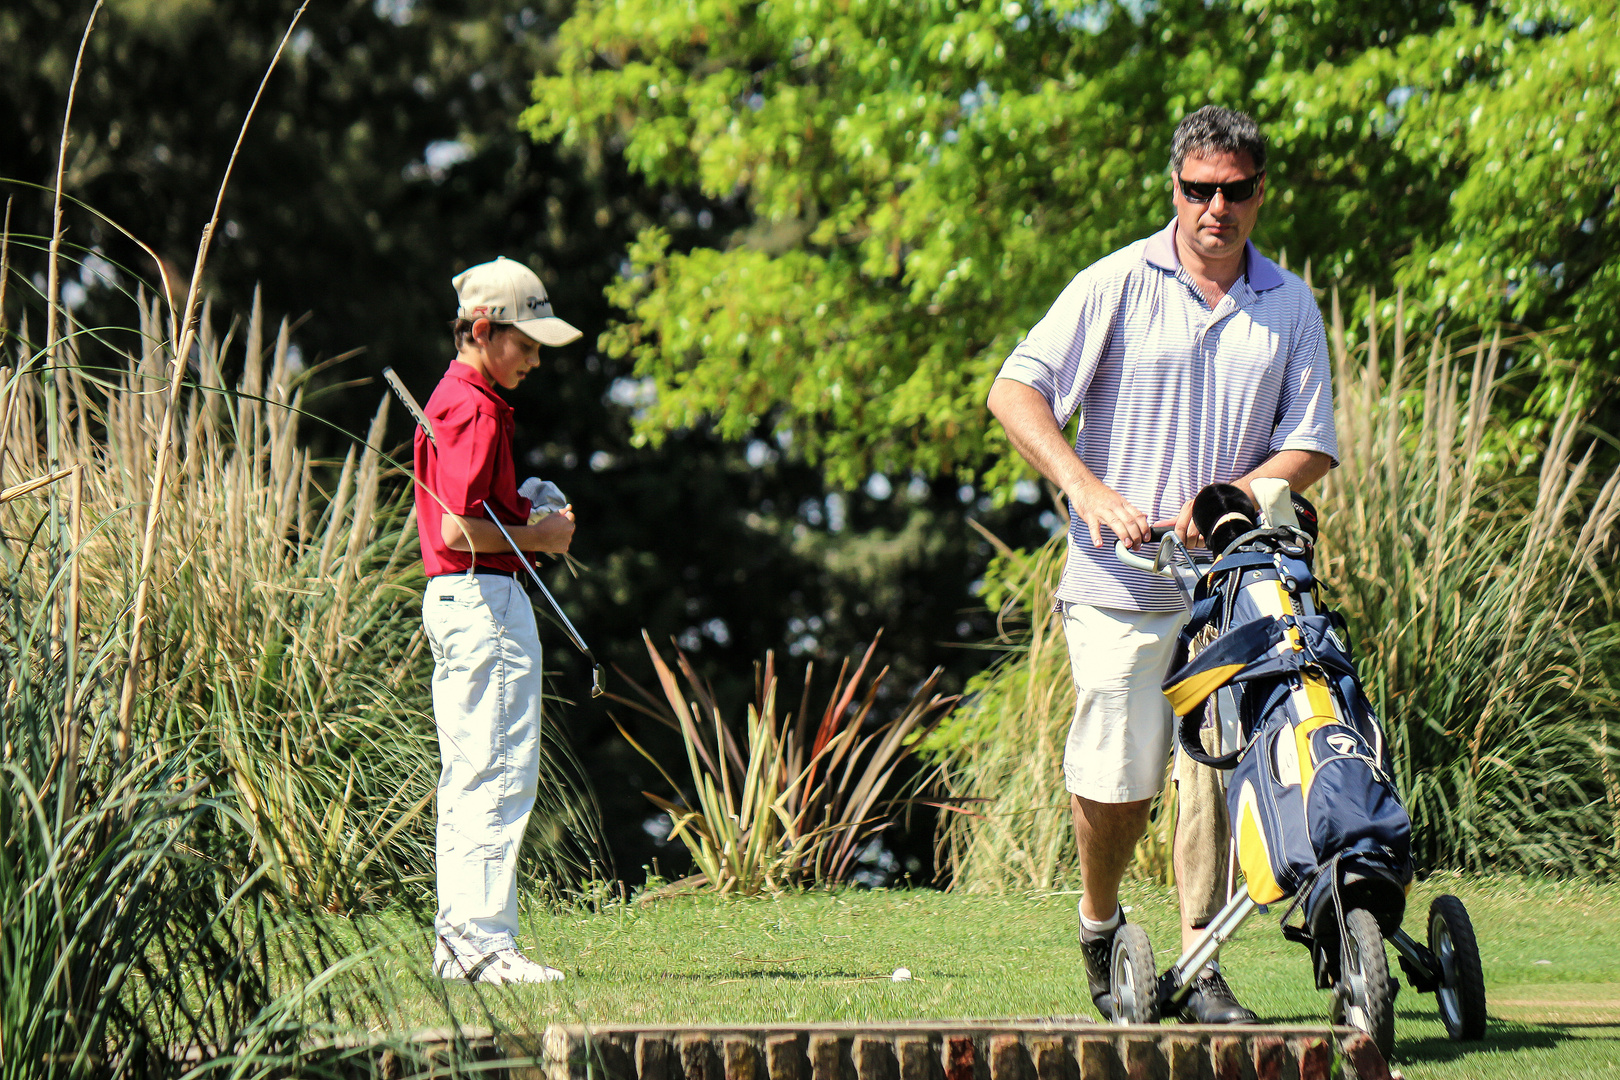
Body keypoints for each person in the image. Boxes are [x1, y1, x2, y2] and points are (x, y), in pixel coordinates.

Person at [986, 106, 1337, 1023]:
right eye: (1198, 190)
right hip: (1120, 584)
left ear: (1261, 193)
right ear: (1173, 189)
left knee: (1214, 772)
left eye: (1235, 190)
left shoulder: (1290, 305)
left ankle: (1198, 967)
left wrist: (1232, 492)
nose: (1215, 208)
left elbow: (1310, 448)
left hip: (1233, 580)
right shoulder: (1115, 282)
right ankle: (1100, 923)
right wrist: (1086, 490)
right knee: (1122, 776)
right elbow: (1014, 390)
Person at [414, 256, 582, 985]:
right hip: (482, 600)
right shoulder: (476, 405)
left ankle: (462, 944)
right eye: (527, 343)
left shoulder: (458, 397)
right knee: (499, 773)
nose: (537, 359)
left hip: (460, 602)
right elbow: (456, 531)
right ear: (483, 331)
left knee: (472, 773)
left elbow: (470, 512)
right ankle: (483, 945)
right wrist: (542, 537)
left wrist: (521, 508)